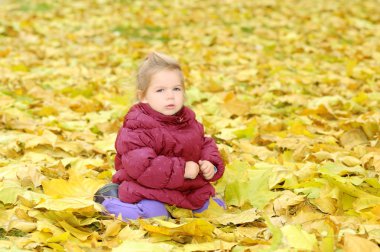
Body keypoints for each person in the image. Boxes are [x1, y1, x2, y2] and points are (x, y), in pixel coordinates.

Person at [94, 52, 225, 220]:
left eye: (176, 89)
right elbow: (143, 167)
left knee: (215, 210)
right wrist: (182, 169)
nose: (170, 95)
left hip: (187, 190)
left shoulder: (187, 120)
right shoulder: (138, 126)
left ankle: (183, 209)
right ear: (143, 97)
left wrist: (210, 164)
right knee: (155, 215)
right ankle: (110, 201)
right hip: (148, 189)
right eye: (160, 90)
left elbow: (204, 143)